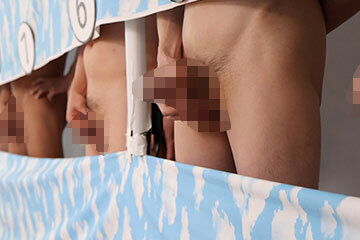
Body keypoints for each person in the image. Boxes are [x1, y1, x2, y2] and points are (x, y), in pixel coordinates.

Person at [145, 0, 360, 189]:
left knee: (275, 216)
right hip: (191, 53)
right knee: (203, 218)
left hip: (262, 33)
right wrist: (167, 54)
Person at [66, 18, 159, 155]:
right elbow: (88, 20)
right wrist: (77, 86)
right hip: (91, 92)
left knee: (126, 166)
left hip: (128, 89)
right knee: (95, 168)